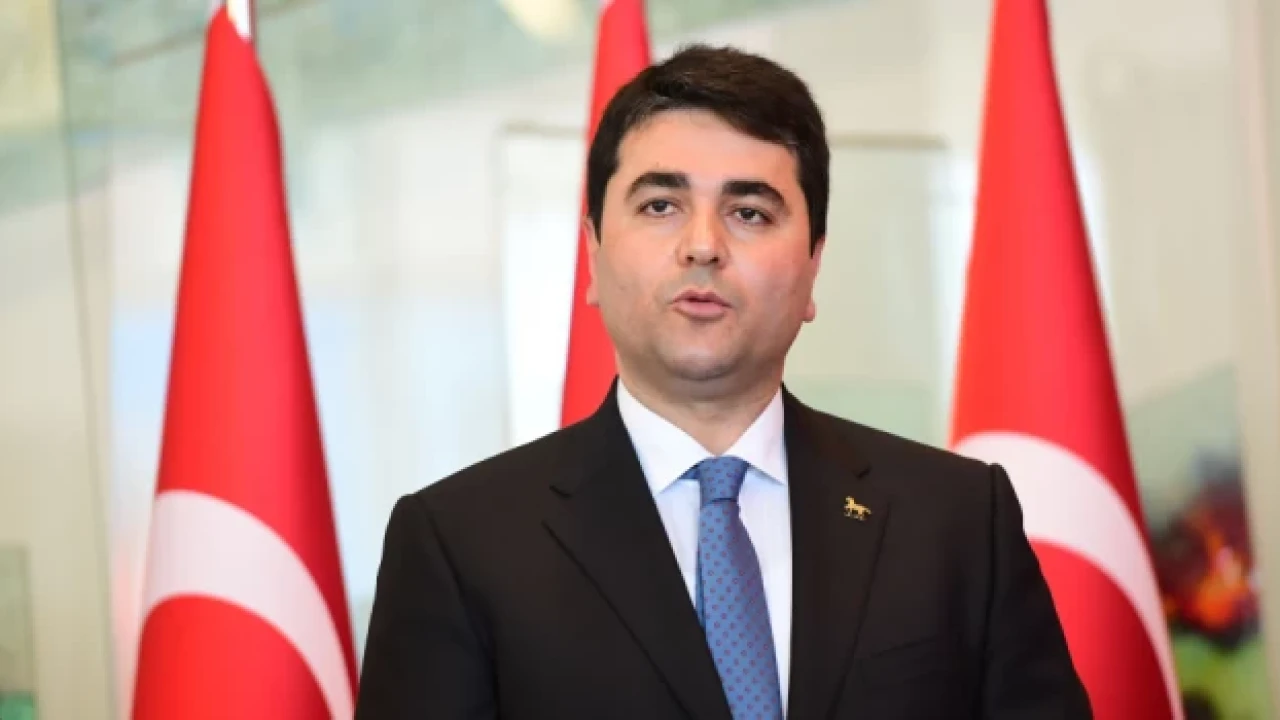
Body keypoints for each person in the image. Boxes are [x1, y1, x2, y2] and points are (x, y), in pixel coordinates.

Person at [355, 44, 1091, 720]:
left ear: (813, 266)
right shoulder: (459, 546)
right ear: (593, 255)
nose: (703, 245)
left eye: (749, 212)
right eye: (660, 206)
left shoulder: (957, 521)